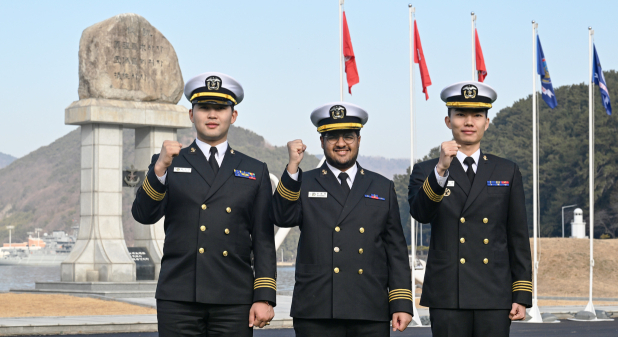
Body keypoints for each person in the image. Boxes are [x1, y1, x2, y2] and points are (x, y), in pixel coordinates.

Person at [131, 72, 276, 336]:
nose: (212, 115)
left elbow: (263, 239)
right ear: (191, 114)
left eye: (220, 108)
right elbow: (143, 214)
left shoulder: (254, 170)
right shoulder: (169, 161)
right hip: (179, 295)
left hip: (233, 296)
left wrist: (264, 297)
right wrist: (160, 167)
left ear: (233, 116)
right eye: (204, 108)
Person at [272, 102, 414, 337]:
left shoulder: (381, 186)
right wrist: (292, 168)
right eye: (332, 137)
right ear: (321, 142)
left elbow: (395, 249)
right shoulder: (303, 181)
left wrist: (400, 302)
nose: (341, 144)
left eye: (348, 136)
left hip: (369, 307)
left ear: (359, 139)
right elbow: (281, 216)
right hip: (317, 309)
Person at [408, 81, 532, 337]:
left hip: (494, 292)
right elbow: (421, 213)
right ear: (448, 121)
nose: (469, 122)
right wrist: (441, 170)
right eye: (461, 114)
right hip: (448, 292)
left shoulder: (507, 170)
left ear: (487, 123)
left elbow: (517, 235)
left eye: (477, 115)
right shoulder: (427, 170)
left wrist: (521, 293)